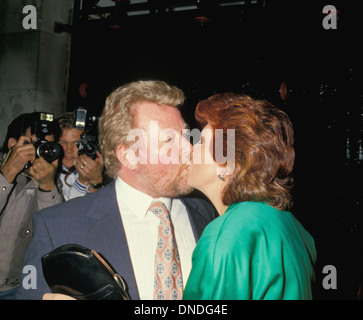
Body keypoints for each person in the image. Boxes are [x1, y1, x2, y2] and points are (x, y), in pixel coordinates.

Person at [16, 80, 216, 300]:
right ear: (129, 155)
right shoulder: (55, 228)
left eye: (185, 135)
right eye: (169, 139)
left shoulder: (206, 214)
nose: (190, 148)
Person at [183, 93, 317, 300]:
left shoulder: (225, 237)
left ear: (228, 164)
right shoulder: (292, 226)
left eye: (201, 142)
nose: (190, 149)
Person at [0, 113, 63, 299]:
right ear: (13, 144)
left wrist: (47, 187)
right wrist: (9, 172)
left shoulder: (48, 179)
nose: (39, 153)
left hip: (16, 287)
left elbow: (52, 236)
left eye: (46, 146)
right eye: (34, 144)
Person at [55, 113, 105, 200]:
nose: (69, 150)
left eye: (76, 143)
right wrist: (83, 181)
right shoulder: (49, 173)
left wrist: (96, 181)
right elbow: (68, 211)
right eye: (63, 143)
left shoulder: (99, 169)